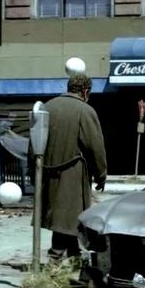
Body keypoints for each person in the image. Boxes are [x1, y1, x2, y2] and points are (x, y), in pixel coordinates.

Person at [32, 73, 107, 260]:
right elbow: (95, 146)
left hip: (47, 171)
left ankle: (74, 254)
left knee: (65, 216)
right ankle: (55, 257)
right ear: (86, 91)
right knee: (67, 216)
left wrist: (33, 172)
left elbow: (33, 143)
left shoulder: (47, 107)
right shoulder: (85, 110)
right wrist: (101, 174)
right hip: (72, 173)